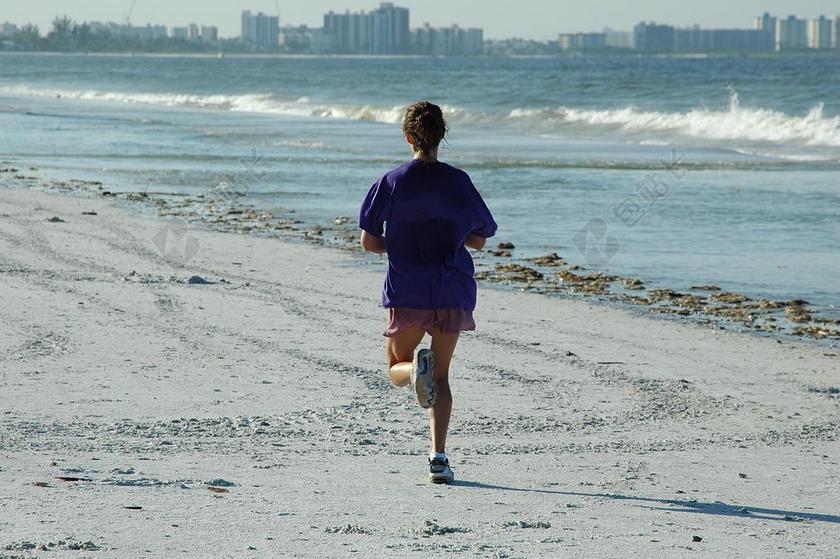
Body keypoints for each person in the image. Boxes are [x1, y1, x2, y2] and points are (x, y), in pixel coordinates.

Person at [358, 100, 497, 484]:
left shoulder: (391, 182)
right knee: (443, 376)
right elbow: (481, 238)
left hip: (408, 288)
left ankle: (414, 373)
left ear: (408, 137)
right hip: (452, 288)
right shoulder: (459, 181)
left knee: (395, 368)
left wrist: (402, 243)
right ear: (442, 137)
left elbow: (369, 242)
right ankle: (439, 457)